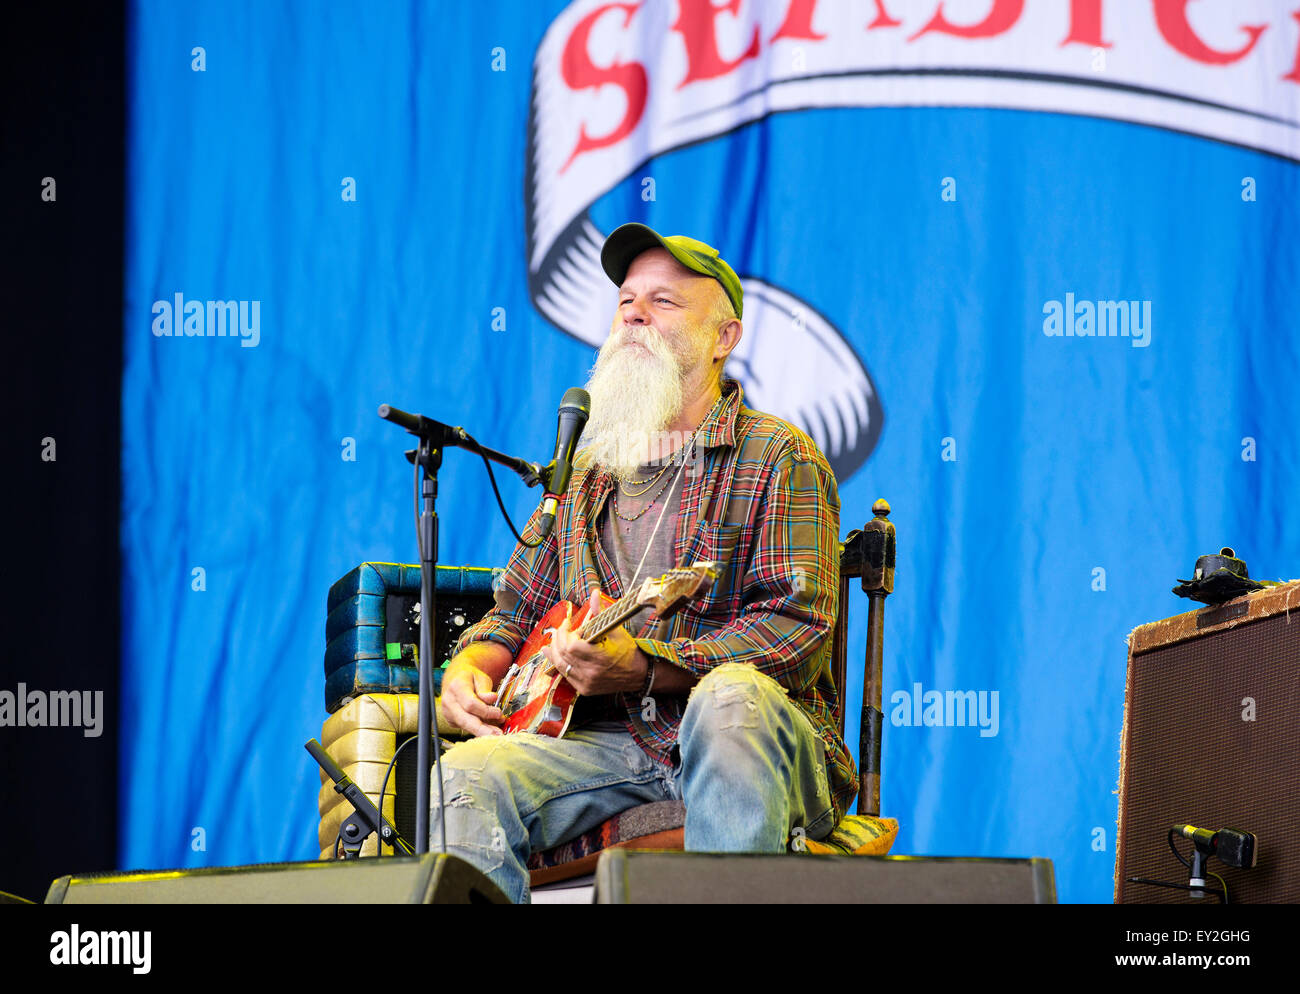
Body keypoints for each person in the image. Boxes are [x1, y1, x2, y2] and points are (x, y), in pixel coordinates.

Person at [435, 222, 855, 903]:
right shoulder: (586, 471)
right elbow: (511, 612)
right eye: (626, 300)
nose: (633, 313)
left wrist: (646, 666)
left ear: (724, 339)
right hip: (610, 749)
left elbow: (796, 633)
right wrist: (469, 668)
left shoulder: (780, 456)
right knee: (463, 776)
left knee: (729, 697)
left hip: (747, 741)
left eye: (663, 302)